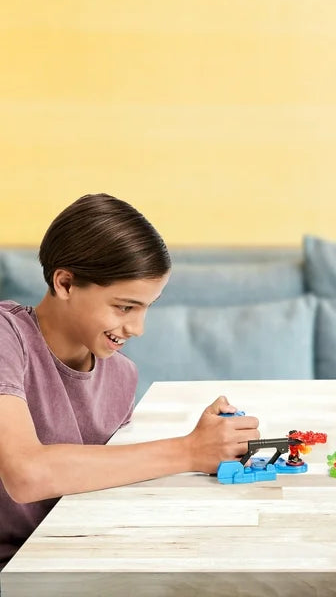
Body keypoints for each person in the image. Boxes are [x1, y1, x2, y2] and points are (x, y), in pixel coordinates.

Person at [0, 194, 260, 572]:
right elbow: (26, 474)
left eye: (146, 307)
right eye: (124, 307)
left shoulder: (122, 376)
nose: (138, 328)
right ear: (66, 283)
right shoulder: (7, 338)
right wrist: (190, 450)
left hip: (72, 561)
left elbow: (104, 483)